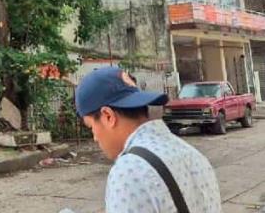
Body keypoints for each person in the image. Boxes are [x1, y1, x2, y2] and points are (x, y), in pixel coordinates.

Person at [75, 67, 221, 213]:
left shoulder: (129, 171)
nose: (94, 137)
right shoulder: (192, 154)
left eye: (91, 126)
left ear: (108, 116)